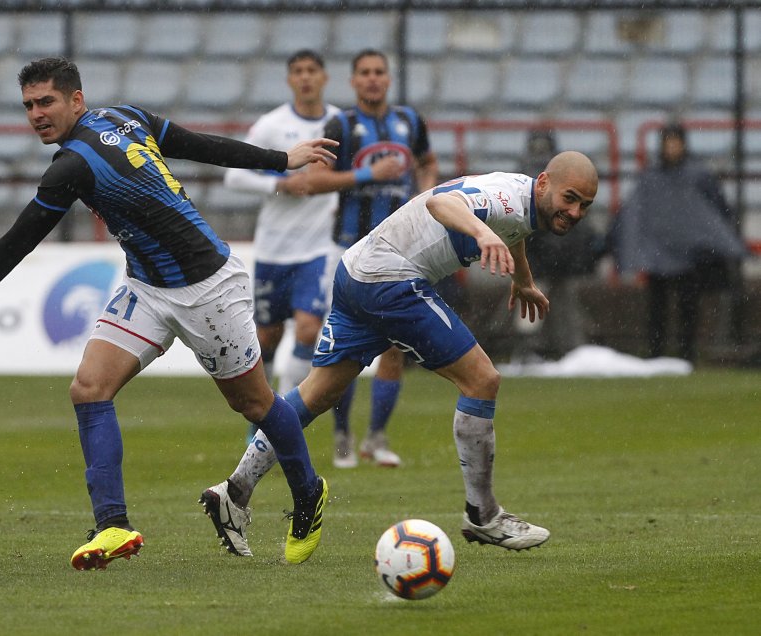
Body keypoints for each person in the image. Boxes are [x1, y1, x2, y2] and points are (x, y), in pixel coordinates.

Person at [0, 57, 335, 568]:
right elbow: (198, 145)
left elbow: (17, 242)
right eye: (28, 106)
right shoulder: (123, 118)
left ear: (76, 101)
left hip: (207, 288)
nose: (37, 114)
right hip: (147, 289)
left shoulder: (73, 165)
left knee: (255, 404)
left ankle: (308, 495)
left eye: (46, 102)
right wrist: (279, 159)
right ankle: (113, 525)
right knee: (89, 388)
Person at [202, 151, 599, 557]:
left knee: (316, 394)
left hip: (356, 270)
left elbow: (515, 231)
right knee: (482, 380)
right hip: (391, 279)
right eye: (570, 198)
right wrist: (482, 235)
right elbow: (439, 202)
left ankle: (233, 492)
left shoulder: (524, 198)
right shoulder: (507, 198)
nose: (575, 211)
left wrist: (524, 280)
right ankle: (484, 515)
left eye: (585, 205)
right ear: (545, 181)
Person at [309, 49, 437, 469]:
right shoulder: (341, 125)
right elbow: (315, 179)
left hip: (399, 249)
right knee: (345, 348)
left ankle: (376, 438)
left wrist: (425, 194)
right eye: (364, 72)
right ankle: (343, 436)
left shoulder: (410, 121)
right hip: (346, 247)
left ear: (388, 78)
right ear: (353, 81)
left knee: (397, 344)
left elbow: (427, 161)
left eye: (379, 72)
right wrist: (367, 175)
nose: (372, 79)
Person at [221, 50, 340, 402]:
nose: (305, 77)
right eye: (298, 71)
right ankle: (261, 409)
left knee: (308, 329)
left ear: (324, 77)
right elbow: (234, 176)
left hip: (319, 248)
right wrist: (279, 184)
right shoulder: (271, 126)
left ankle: (285, 412)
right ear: (289, 80)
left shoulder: (339, 123)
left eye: (312, 70)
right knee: (267, 336)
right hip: (276, 247)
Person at [611, 122, 746, 362]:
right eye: (668, 142)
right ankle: (656, 355)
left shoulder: (698, 175)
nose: (671, 147)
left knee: (688, 308)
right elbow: (634, 213)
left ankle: (686, 356)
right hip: (658, 255)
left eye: (675, 142)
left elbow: (715, 213)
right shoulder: (651, 177)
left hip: (688, 257)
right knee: (657, 308)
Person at [514, 129, 602, 360]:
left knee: (537, 304)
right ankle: (568, 351)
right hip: (551, 251)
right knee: (555, 305)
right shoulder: (561, 173)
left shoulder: (525, 173)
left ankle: (532, 350)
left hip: (538, 252)